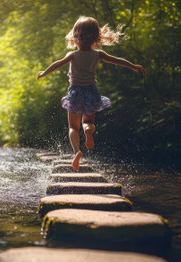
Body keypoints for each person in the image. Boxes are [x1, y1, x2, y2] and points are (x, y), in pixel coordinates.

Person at [37, 16, 145, 170]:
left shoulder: (72, 55)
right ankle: (88, 131)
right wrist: (134, 66)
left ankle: (76, 152)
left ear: (75, 37)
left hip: (75, 93)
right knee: (88, 122)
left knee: (73, 127)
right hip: (91, 92)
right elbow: (118, 60)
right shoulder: (98, 54)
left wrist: (43, 73)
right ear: (96, 37)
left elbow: (57, 65)